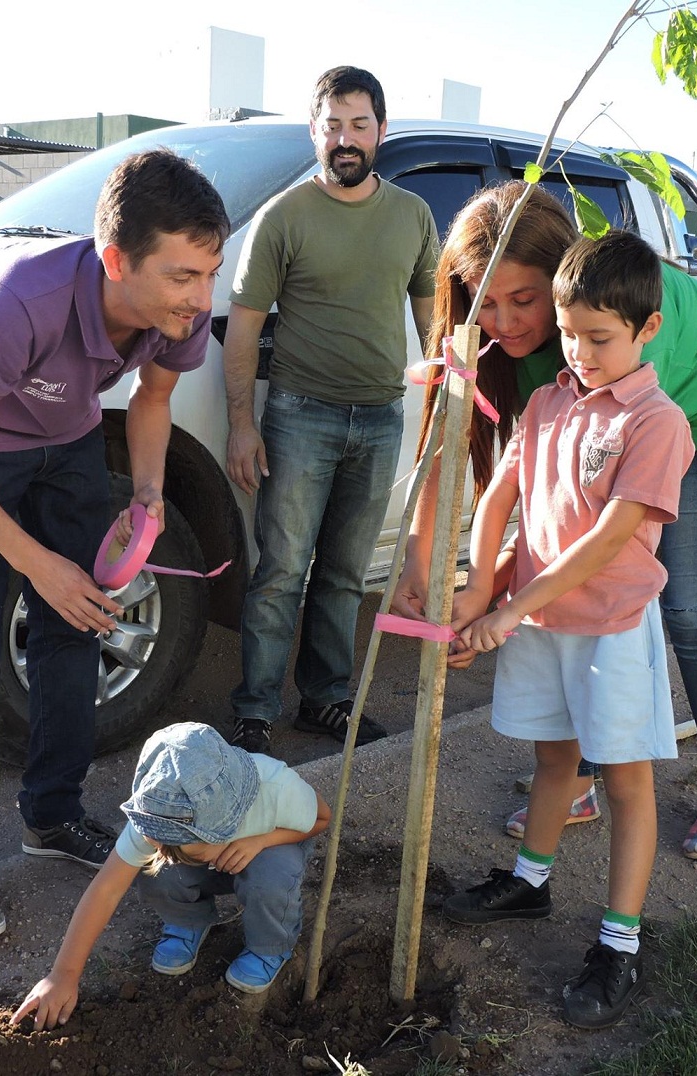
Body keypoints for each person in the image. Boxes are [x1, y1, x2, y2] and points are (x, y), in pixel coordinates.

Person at [0, 150, 230, 946]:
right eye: (184, 276)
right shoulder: (23, 300)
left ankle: (51, 816)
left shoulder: (177, 315)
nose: (202, 297)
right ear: (117, 261)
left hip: (71, 432)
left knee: (81, 621)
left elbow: (153, 397)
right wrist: (35, 562)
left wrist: (147, 499)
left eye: (211, 271)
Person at [393, 181, 697, 862]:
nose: (505, 322)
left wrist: (503, 592)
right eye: (488, 300)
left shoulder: (616, 341)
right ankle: (577, 775)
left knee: (689, 610)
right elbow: (459, 446)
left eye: (523, 300)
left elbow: (604, 531)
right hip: (622, 438)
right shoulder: (556, 342)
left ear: (563, 277)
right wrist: (432, 570)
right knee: (569, 598)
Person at [443, 231, 693, 1030]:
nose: (582, 353)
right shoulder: (547, 401)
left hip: (610, 627)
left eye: (601, 338)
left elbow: (609, 540)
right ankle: (530, 881)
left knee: (623, 781)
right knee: (554, 761)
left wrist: (509, 609)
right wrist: (479, 583)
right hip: (543, 619)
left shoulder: (657, 423)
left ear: (645, 329)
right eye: (571, 333)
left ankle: (618, 943)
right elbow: (498, 497)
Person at [222, 65, 439, 757]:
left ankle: (326, 701)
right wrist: (241, 424)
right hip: (299, 417)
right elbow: (244, 325)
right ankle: (255, 710)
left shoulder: (412, 216)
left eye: (359, 125)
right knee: (282, 570)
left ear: (381, 130)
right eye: (333, 125)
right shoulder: (282, 218)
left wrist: (439, 405)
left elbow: (434, 321)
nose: (346, 139)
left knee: (347, 574)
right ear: (315, 130)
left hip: (379, 419)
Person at [11, 722, 331, 1029]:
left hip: (268, 849)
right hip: (224, 858)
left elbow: (321, 818)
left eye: (199, 850)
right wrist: (63, 975)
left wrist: (259, 841)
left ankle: (269, 947)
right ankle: (188, 920)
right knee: (154, 868)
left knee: (272, 877)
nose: (164, 848)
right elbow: (105, 890)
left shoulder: (274, 786)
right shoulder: (155, 823)